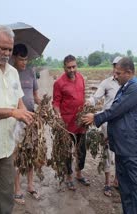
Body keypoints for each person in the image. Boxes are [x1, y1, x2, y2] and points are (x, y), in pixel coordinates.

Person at [82, 57, 137, 214]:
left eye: (118, 73)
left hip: (132, 150)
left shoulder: (135, 89)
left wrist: (95, 117)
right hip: (122, 147)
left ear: (129, 72)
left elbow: (115, 111)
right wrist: (111, 136)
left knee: (136, 189)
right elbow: (120, 118)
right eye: (115, 72)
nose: (115, 76)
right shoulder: (124, 87)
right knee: (125, 188)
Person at [0, 25, 34, 214]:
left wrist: (27, 115)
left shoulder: (13, 72)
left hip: (8, 146)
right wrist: (12, 113)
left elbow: (19, 103)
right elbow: (13, 110)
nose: (7, 53)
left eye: (9, 49)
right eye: (2, 48)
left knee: (6, 194)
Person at [52, 54, 90, 191]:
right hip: (67, 124)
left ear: (77, 66)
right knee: (67, 152)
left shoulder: (80, 78)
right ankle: (68, 177)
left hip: (81, 122)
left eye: (74, 66)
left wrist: (86, 109)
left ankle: (79, 174)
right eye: (69, 67)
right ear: (64, 68)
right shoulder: (59, 83)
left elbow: (83, 96)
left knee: (82, 150)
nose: (72, 70)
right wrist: (57, 115)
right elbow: (55, 102)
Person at [85, 56, 122, 197]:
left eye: (118, 66)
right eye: (114, 66)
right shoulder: (107, 83)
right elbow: (95, 97)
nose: (116, 69)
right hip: (107, 123)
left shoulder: (127, 84)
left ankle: (117, 180)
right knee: (107, 152)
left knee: (120, 153)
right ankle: (107, 183)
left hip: (122, 125)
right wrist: (89, 102)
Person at [12, 43, 41, 204]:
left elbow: (35, 95)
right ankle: (17, 189)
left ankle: (30, 185)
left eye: (26, 59)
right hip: (16, 121)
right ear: (14, 57)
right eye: (21, 59)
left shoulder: (31, 72)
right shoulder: (10, 73)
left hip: (31, 118)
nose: (24, 62)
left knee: (31, 152)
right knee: (16, 155)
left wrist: (43, 105)